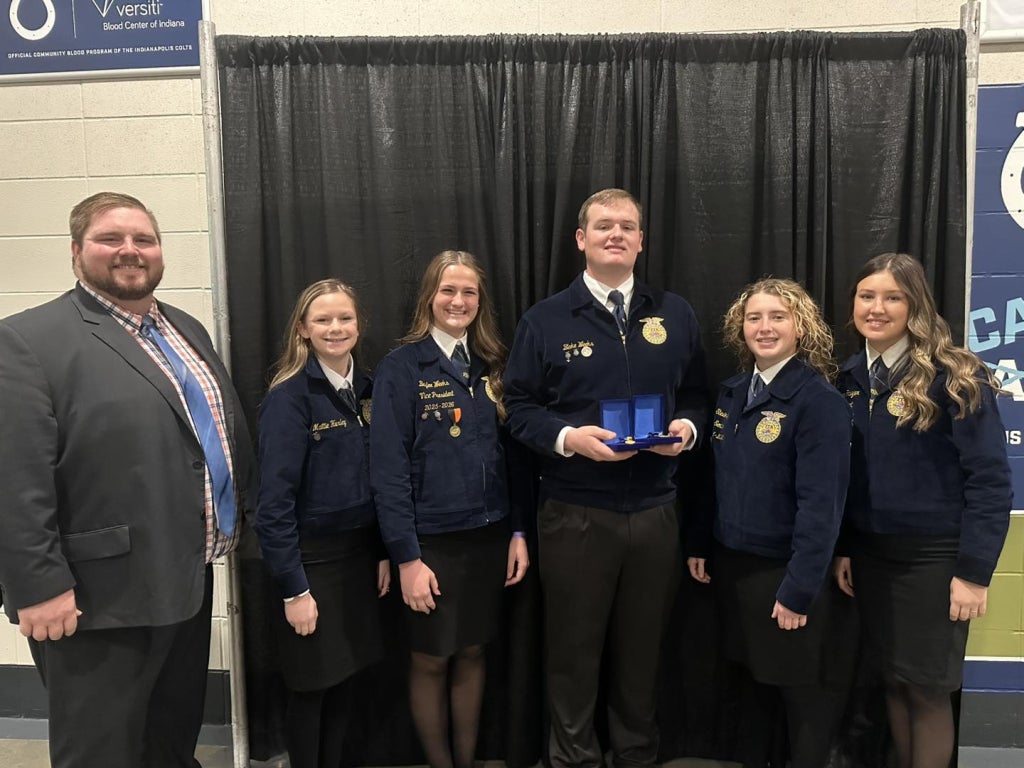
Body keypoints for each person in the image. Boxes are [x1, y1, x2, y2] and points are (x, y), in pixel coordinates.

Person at [0, 192, 257, 768]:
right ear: (75, 251)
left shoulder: (185, 328)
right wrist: (36, 586)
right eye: (110, 239)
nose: (130, 251)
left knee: (169, 739)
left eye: (144, 239)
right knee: (102, 750)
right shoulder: (27, 340)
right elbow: (14, 479)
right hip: (96, 599)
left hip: (186, 575)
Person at [503, 188, 708, 768]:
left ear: (641, 240)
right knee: (573, 653)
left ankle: (636, 756)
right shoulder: (544, 319)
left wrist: (687, 430)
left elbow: (696, 393)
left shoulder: (675, 312)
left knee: (642, 654)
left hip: (655, 511)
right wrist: (571, 441)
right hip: (575, 513)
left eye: (626, 227)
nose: (615, 235)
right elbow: (518, 408)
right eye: (603, 227)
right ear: (581, 240)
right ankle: (573, 759)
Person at [833, 253, 1011, 768]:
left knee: (928, 689)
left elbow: (992, 480)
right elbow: (849, 479)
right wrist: (847, 547)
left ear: (915, 306)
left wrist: (974, 574)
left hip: (936, 561)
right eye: (868, 296)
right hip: (872, 558)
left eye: (893, 297)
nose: (877, 308)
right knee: (893, 680)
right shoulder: (848, 379)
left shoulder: (955, 374)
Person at [370, 250, 529, 768]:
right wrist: (406, 558)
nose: (458, 301)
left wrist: (518, 533)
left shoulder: (493, 366)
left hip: (488, 537)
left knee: (474, 651)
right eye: (448, 290)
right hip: (429, 543)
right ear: (429, 298)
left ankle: (467, 761)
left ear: (479, 303)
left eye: (469, 293)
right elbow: (389, 472)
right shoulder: (401, 367)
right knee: (431, 658)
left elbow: (515, 462)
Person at [687, 278, 850, 768]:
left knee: (801, 697)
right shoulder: (732, 392)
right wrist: (700, 541)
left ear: (801, 328)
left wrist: (799, 588)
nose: (765, 327)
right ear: (741, 328)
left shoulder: (817, 401)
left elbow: (823, 505)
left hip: (786, 573)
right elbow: (713, 477)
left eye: (778, 317)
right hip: (735, 566)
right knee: (753, 685)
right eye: (754, 317)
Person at [254, 279, 390, 768]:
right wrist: (294, 590)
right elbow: (272, 507)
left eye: (345, 319)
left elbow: (380, 482)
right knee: (312, 690)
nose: (336, 328)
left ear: (359, 325)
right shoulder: (289, 400)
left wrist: (379, 553)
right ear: (304, 331)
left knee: (348, 683)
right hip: (310, 567)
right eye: (323, 320)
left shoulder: (373, 390)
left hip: (358, 562)